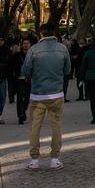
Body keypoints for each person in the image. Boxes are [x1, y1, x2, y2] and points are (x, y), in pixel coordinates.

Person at [22, 23, 72, 171]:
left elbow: (25, 70)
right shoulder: (62, 49)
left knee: (35, 126)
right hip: (56, 93)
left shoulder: (33, 50)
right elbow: (68, 70)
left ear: (40, 34)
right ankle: (55, 159)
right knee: (56, 125)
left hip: (37, 94)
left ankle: (34, 160)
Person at [10, 36, 33, 124]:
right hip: (19, 79)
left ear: (30, 45)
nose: (25, 45)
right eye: (24, 44)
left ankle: (24, 109)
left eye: (27, 44)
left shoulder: (33, 55)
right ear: (21, 45)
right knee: (20, 97)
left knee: (27, 97)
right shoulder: (17, 55)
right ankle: (20, 115)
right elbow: (12, 67)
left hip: (29, 79)